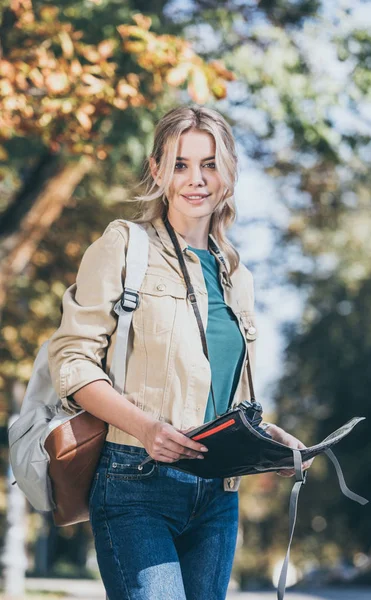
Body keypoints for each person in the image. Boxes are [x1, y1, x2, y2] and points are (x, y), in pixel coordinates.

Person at [48, 105, 311, 600]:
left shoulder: (238, 274)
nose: (196, 179)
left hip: (218, 493)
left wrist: (267, 439)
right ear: (157, 170)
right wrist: (147, 428)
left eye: (209, 164)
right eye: (181, 164)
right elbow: (73, 363)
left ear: (229, 171)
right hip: (135, 483)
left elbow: (226, 391)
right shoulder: (123, 246)